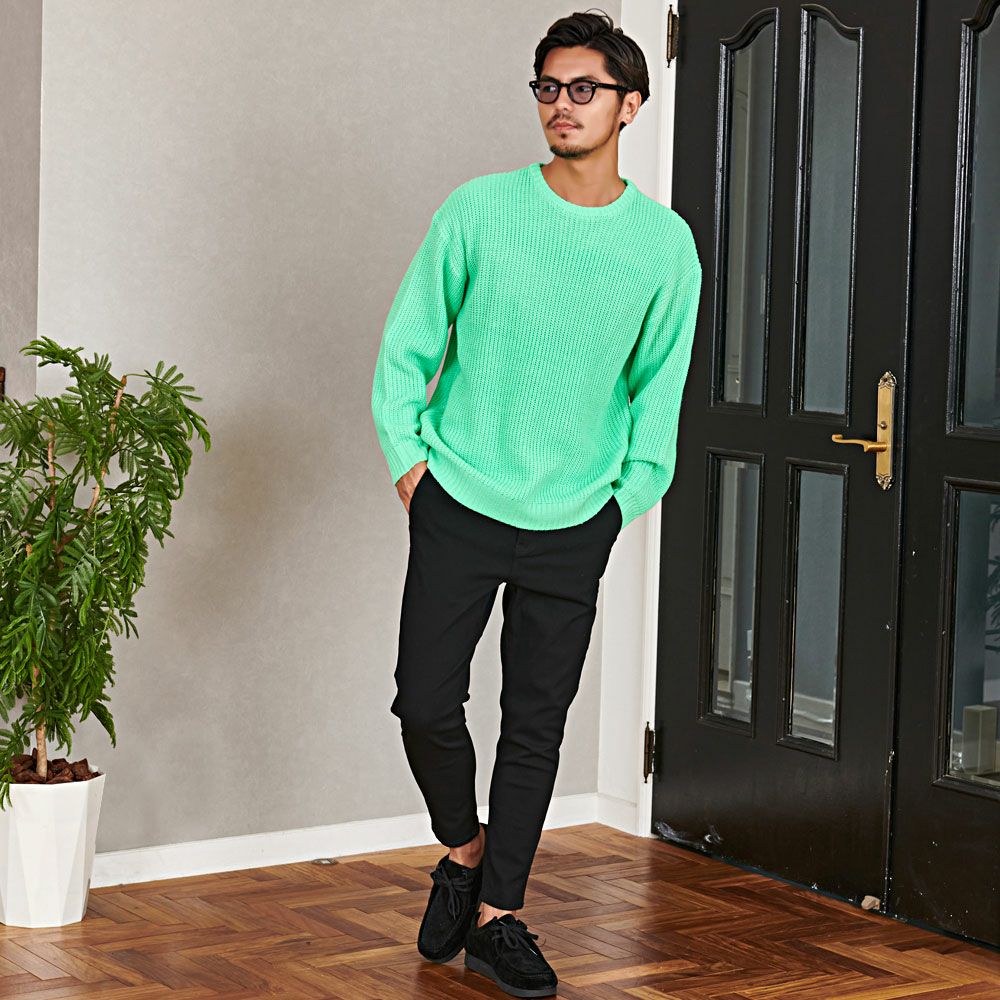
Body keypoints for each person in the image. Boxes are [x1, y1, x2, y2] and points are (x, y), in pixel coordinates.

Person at [370, 10, 702, 997]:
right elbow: (407, 348)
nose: (562, 104)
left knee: (536, 723)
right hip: (460, 496)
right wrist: (411, 466)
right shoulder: (478, 210)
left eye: (584, 89)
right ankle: (464, 850)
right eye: (549, 88)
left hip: (575, 518)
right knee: (425, 699)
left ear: (630, 105)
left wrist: (621, 501)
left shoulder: (663, 247)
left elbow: (658, 391)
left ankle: (499, 917)